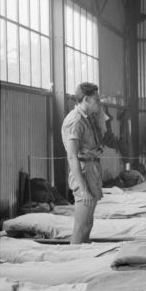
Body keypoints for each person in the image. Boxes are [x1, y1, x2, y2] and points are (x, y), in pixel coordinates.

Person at [61, 82, 104, 244]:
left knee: (88, 224)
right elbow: (72, 157)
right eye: (96, 100)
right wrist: (83, 189)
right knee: (81, 226)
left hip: (91, 168)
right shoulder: (75, 120)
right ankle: (73, 262)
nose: (98, 103)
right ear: (86, 99)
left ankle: (81, 257)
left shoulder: (88, 118)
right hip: (83, 171)